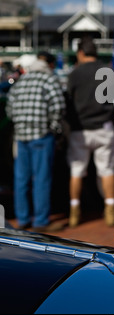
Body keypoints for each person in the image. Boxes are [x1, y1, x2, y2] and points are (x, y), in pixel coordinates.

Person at [6, 53, 65, 231]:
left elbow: (10, 109)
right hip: (41, 134)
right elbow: (58, 106)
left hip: (21, 135)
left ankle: (23, 219)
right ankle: (40, 221)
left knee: (21, 179)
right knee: (41, 179)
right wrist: (53, 127)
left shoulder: (20, 82)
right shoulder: (49, 80)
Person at [66, 37, 114, 227]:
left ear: (81, 53)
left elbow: (69, 101)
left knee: (76, 171)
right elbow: (112, 98)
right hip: (103, 126)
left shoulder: (75, 73)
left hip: (80, 128)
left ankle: (74, 211)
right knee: (107, 170)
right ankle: (110, 210)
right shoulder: (108, 71)